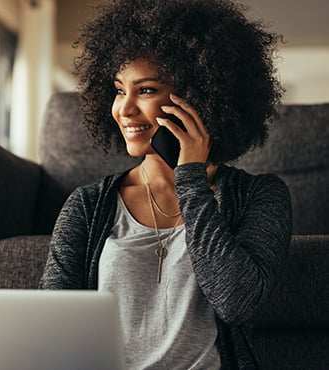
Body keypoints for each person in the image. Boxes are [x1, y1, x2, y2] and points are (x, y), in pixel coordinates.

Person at [38, 0, 293, 369]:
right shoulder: (87, 206)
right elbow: (50, 325)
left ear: (200, 97)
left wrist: (189, 178)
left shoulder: (261, 196)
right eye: (118, 89)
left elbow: (236, 300)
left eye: (145, 90)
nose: (124, 109)